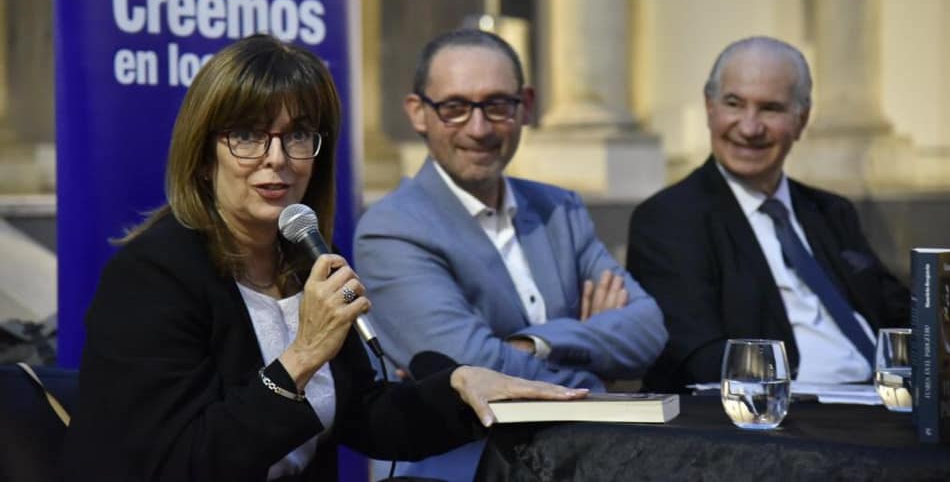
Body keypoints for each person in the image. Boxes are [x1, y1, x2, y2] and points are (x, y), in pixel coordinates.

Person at [61, 34, 587, 482]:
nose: (276, 159)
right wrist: (303, 354)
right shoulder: (153, 277)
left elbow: (364, 415)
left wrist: (458, 387)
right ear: (203, 157)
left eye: (298, 136)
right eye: (247, 135)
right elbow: (181, 463)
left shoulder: (305, 256)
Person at [354, 28, 667, 480]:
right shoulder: (392, 230)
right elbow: (473, 368)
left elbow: (647, 327)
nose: (478, 129)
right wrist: (602, 379)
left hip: (581, 464)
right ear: (418, 113)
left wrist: (534, 343)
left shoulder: (560, 209)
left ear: (526, 107)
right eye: (455, 108)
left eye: (497, 105)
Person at [626, 36, 910, 392]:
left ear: (801, 120)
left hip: (890, 401)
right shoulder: (669, 219)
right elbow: (698, 357)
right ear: (709, 107)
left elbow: (900, 314)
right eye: (734, 103)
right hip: (783, 416)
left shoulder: (832, 212)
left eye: (770, 109)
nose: (749, 127)